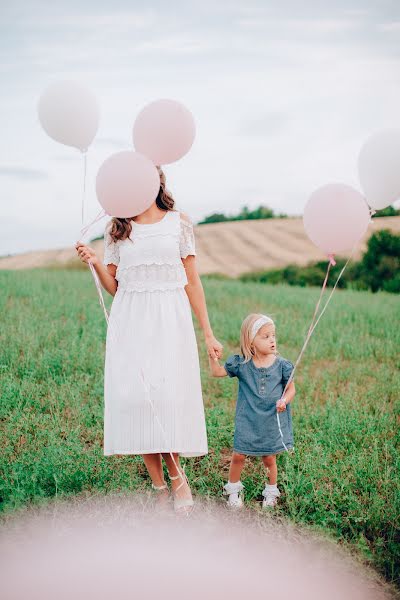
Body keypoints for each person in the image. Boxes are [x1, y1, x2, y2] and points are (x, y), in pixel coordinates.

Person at [75, 167, 223, 514]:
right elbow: (115, 288)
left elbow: (192, 282)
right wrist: (96, 261)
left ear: (158, 182)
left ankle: (177, 477)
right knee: (139, 400)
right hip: (131, 321)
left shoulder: (178, 223)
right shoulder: (118, 229)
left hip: (170, 321)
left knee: (165, 397)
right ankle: (158, 486)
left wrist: (208, 331)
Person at [209, 313, 295, 509]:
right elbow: (216, 372)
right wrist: (212, 358)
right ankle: (233, 489)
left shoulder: (282, 365)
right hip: (248, 419)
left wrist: (284, 399)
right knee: (239, 455)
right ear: (251, 341)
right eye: (265, 336)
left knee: (269, 458)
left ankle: (271, 491)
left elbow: (291, 389)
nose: (272, 340)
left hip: (271, 420)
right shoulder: (242, 364)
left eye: (273, 335)